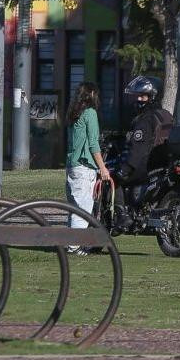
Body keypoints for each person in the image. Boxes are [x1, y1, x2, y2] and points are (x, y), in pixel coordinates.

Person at [112, 75, 173, 232]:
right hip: (162, 164)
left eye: (143, 96)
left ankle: (123, 216)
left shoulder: (145, 119)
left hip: (145, 166)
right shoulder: (165, 114)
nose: (139, 99)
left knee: (114, 178)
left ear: (153, 96)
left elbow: (138, 149)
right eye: (138, 95)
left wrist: (126, 168)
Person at [65, 82, 111, 255]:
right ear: (92, 94)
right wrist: (103, 168)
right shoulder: (90, 113)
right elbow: (93, 144)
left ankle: (69, 242)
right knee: (83, 208)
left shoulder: (74, 114)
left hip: (72, 165)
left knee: (73, 207)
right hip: (84, 167)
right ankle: (74, 245)